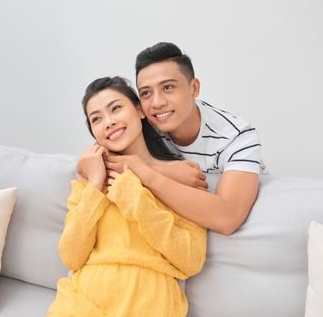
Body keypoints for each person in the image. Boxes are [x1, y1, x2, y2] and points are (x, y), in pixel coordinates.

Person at [46, 77, 207, 317]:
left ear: (140, 110)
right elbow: (71, 257)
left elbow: (190, 260)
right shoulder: (88, 182)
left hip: (149, 301)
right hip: (80, 301)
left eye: (116, 108)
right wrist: (94, 185)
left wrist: (135, 199)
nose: (108, 122)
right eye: (97, 119)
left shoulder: (182, 178)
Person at [102, 42, 266, 235]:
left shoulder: (237, 137)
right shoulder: (145, 124)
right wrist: (170, 172)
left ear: (194, 88)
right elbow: (98, 159)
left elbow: (227, 218)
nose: (157, 103)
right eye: (146, 93)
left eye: (168, 87)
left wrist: (144, 172)